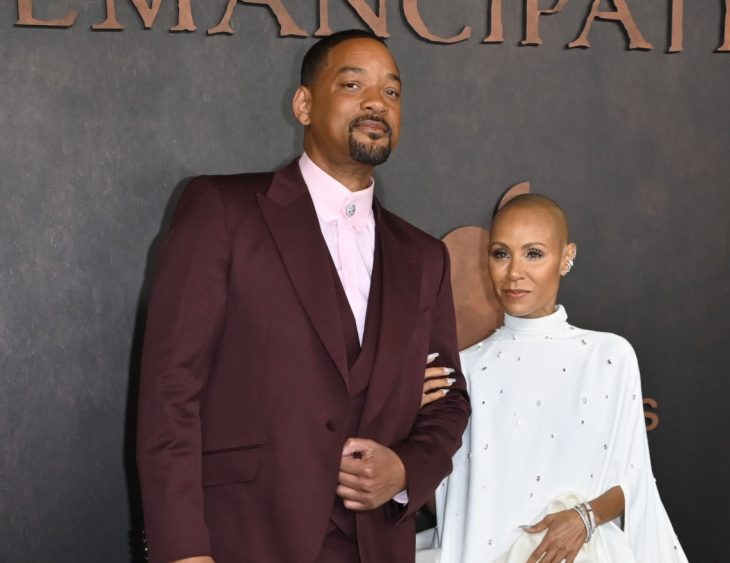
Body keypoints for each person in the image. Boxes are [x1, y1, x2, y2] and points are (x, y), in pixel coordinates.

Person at [136, 30, 470, 563]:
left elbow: (450, 398)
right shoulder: (222, 210)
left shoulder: (424, 256)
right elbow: (171, 392)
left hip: (376, 546)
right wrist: (182, 551)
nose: (375, 102)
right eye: (353, 84)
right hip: (242, 540)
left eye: (391, 91)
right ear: (304, 104)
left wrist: (406, 469)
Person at [426, 194, 687, 563]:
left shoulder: (609, 356)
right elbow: (445, 499)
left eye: (533, 253)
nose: (514, 272)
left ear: (567, 257)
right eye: (501, 254)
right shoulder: (465, 370)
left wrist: (585, 517)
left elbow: (634, 481)